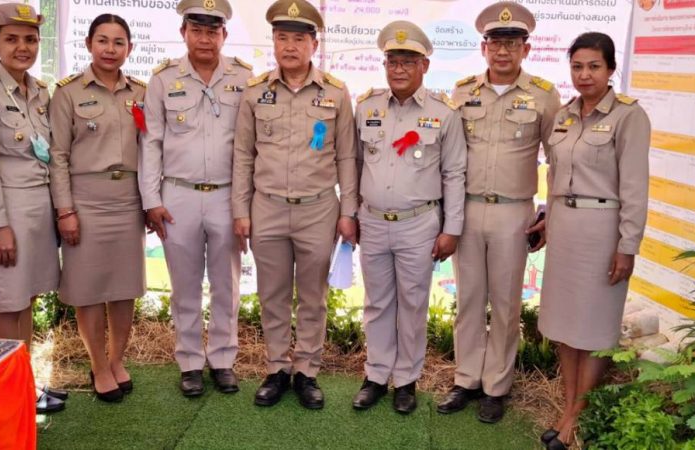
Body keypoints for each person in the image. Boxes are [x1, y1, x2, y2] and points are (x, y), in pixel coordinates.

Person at [232, 0, 358, 410]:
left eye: (299, 39)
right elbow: (243, 154)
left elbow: (347, 156)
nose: (290, 46)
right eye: (282, 37)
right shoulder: (255, 92)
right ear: (273, 42)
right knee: (272, 294)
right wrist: (240, 210)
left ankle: (306, 371)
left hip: (318, 209)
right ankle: (276, 368)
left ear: (313, 45)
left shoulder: (336, 92)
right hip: (267, 207)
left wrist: (348, 212)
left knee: (313, 296)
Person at [440, 1, 561, 423]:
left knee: (507, 304)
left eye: (512, 43)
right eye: (495, 42)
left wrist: (548, 213)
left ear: (526, 49)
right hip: (468, 209)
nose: (503, 51)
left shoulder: (543, 95)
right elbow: (448, 157)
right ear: (483, 47)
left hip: (514, 213)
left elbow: (558, 158)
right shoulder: (462, 92)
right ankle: (466, 379)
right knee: (469, 299)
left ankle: (496, 386)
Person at [537, 32, 650, 450]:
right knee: (566, 325)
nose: (585, 75)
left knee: (595, 326)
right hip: (564, 229)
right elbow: (554, 176)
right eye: (577, 66)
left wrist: (627, 246)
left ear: (611, 69)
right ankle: (567, 407)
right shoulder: (564, 115)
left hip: (602, 232)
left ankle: (577, 418)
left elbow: (635, 189)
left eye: (594, 66)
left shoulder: (628, 116)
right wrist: (547, 221)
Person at [351, 21, 466, 415]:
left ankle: (406, 380)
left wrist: (452, 228)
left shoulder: (443, 113)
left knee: (413, 304)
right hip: (372, 220)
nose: (399, 69)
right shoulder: (366, 107)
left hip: (419, 223)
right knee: (377, 303)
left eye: (408, 62)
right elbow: (353, 164)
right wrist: (350, 214)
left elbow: (454, 174)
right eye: (393, 61)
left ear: (424, 66)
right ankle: (376, 375)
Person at [139, 0, 252, 397]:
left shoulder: (245, 78)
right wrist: (151, 199)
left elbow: (251, 146)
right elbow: (151, 142)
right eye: (197, 30)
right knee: (184, 286)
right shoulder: (163, 79)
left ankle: (222, 359)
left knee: (227, 285)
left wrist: (246, 204)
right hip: (178, 196)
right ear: (183, 32)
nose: (205, 39)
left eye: (212, 31)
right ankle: (189, 361)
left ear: (224, 34)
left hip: (226, 195)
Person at [0, 2, 63, 413]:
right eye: (12, 39)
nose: (23, 47)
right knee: (8, 306)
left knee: (27, 301)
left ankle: (25, 388)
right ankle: (4, 399)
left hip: (39, 211)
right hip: (8, 214)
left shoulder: (39, 91)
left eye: (30, 39)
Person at [50, 14, 146, 403]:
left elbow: (151, 150)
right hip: (85, 201)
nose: (110, 49)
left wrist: (150, 202)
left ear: (129, 48)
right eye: (102, 41)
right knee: (88, 289)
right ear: (89, 44)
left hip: (128, 200)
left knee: (124, 288)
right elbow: (58, 156)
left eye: (118, 42)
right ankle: (98, 365)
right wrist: (65, 210)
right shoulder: (67, 93)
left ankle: (117, 359)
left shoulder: (141, 92)